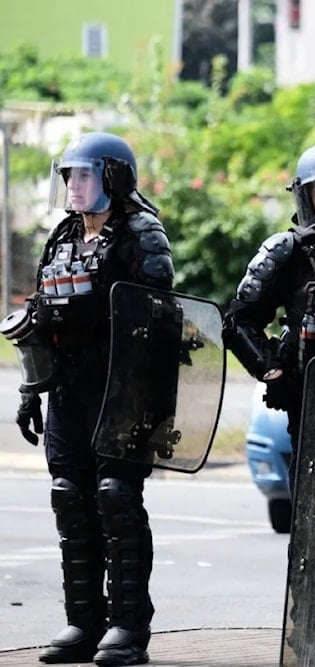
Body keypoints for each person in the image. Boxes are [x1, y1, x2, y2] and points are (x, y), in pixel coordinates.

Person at [13, 132, 174, 666]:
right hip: (66, 390)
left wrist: (149, 401)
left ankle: (129, 629)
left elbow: (157, 319)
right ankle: (83, 621)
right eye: (71, 176)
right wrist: (30, 389)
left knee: (116, 498)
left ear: (113, 178)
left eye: (86, 175)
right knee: (69, 496)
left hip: (120, 389)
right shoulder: (61, 237)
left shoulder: (141, 235)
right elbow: (39, 315)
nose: (75, 186)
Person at [223, 141, 315, 477]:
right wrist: (272, 371)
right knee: (314, 496)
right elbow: (238, 323)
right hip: (310, 398)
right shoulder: (288, 251)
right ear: (309, 198)